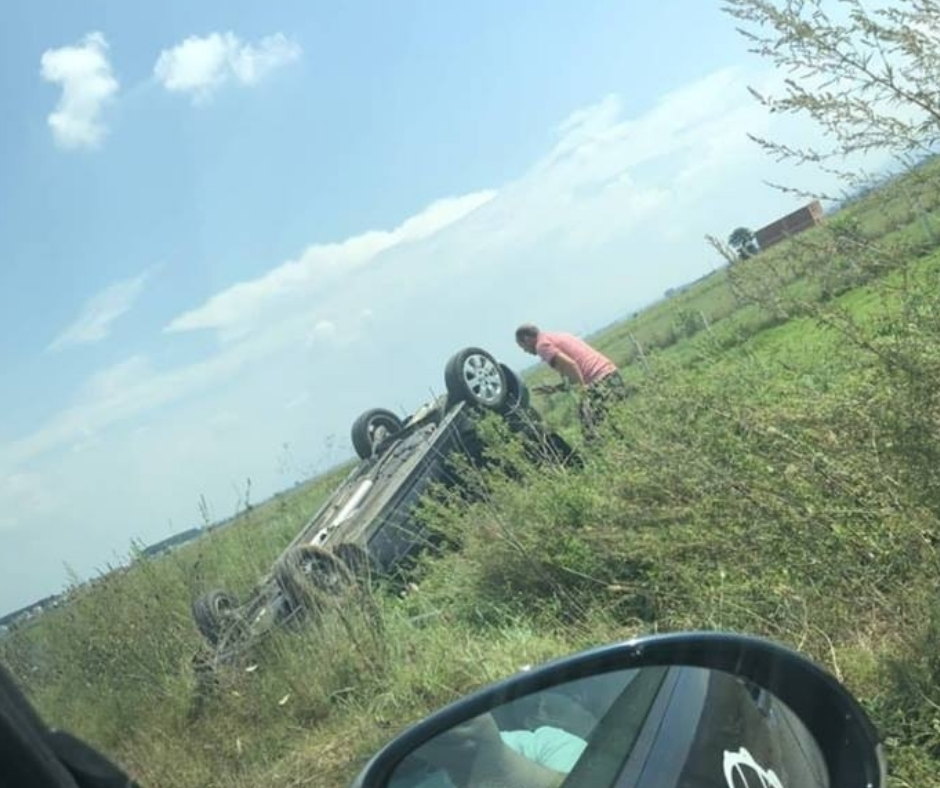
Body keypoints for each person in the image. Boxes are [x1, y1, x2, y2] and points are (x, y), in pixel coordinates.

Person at [514, 323, 629, 441]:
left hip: (599, 380)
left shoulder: (542, 346)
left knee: (592, 433)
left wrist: (583, 391)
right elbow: (575, 370)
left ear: (527, 339)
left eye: (522, 346)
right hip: (610, 373)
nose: (524, 351)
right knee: (618, 422)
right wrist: (557, 388)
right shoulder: (557, 335)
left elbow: (571, 365)